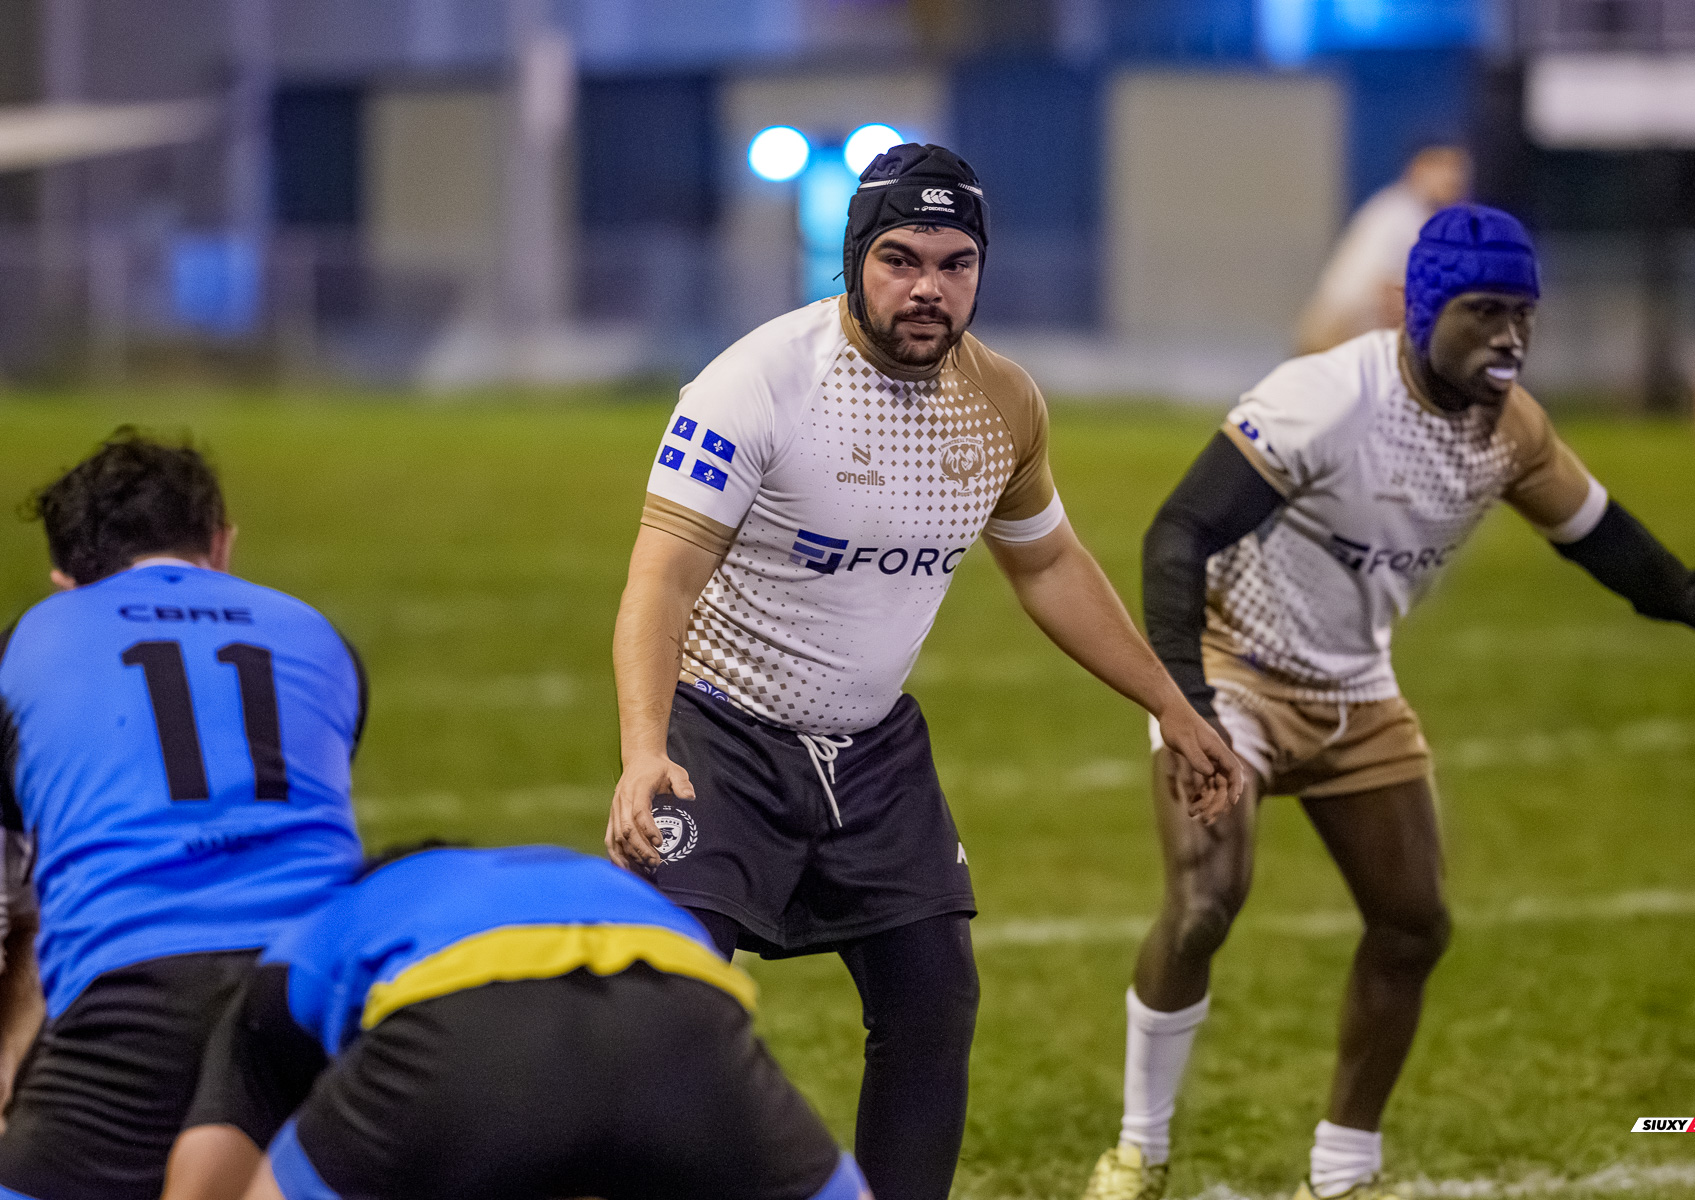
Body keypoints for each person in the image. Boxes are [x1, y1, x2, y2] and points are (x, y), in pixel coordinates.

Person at [1079, 204, 1695, 1200]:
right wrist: (1187, 708)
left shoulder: (1509, 432)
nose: (1510, 335)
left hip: (1356, 688)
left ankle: (1343, 1168)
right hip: (1231, 670)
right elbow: (1177, 535)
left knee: (1415, 923)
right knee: (1205, 902)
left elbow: (1603, 537)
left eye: (1523, 314)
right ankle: (1137, 1151)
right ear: (1424, 313)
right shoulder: (1328, 398)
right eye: (1484, 311)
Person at [608, 142, 1245, 1200]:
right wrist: (640, 752)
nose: (928, 290)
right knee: (664, 1009)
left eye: (955, 264)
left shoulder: (1003, 404)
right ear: (856, 258)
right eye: (901, 259)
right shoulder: (753, 384)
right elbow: (659, 585)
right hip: (717, 737)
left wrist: (1172, 706)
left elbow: (1047, 566)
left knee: (934, 998)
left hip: (874, 752)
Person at [0, 430, 366, 1200]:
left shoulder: (30, 642)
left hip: (134, 995)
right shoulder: (317, 633)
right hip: (316, 987)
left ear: (66, 580)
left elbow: (10, 907)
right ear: (221, 545)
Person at [161, 843, 868, 1200]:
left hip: (459, 1027)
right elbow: (576, 1130)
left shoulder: (324, 929)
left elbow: (212, 1166)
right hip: (684, 1014)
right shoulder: (566, 879)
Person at [1294, 145, 1471, 355]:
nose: (1453, 177)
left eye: (1458, 169)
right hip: (1338, 332)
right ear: (1418, 169)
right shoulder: (1404, 213)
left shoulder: (1410, 211)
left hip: (1346, 332)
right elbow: (1388, 295)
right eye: (1443, 167)